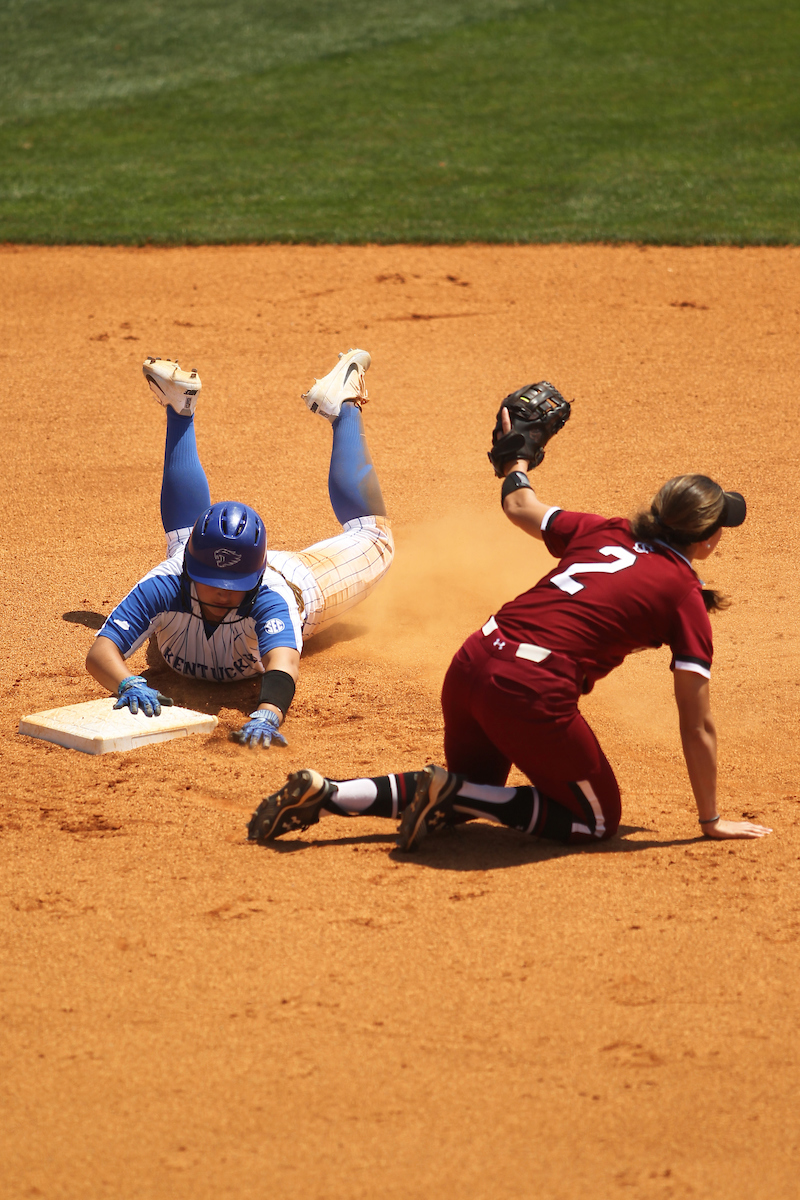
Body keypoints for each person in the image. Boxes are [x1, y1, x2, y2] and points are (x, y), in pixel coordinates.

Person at [248, 406, 771, 844]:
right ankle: (451, 793)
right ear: (705, 540)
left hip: (474, 659)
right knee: (595, 821)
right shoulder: (682, 593)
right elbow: (696, 723)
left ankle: (333, 792)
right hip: (526, 691)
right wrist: (710, 819)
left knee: (473, 791)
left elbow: (520, 504)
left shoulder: (605, 531)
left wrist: (516, 459)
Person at [85, 350, 393, 747]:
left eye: (234, 584)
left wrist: (269, 713)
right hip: (193, 558)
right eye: (211, 580)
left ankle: (344, 406)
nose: (223, 592)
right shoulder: (170, 579)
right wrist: (125, 682)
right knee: (182, 537)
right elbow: (101, 652)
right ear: (190, 569)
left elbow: (283, 665)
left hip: (302, 582)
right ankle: (180, 408)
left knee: (375, 537)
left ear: (255, 576)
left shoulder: (270, 595)